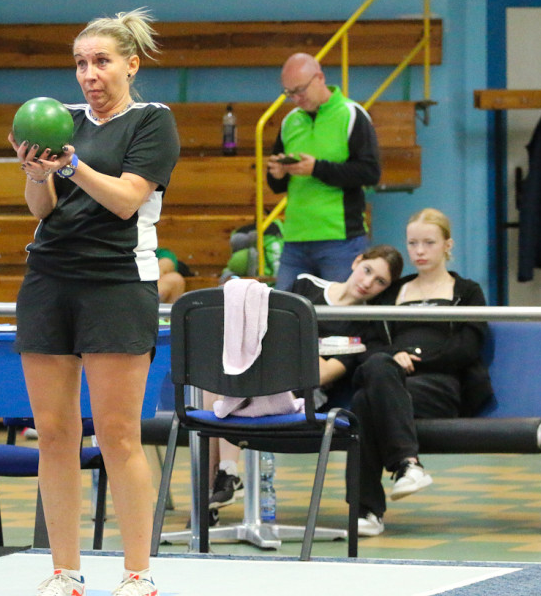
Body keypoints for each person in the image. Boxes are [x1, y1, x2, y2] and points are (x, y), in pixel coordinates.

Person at [8, 8, 180, 596]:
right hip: (49, 280)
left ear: (131, 64)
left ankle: (140, 580)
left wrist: (71, 164)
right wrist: (37, 174)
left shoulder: (152, 123)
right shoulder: (64, 124)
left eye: (102, 61)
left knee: (117, 434)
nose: (89, 74)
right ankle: (65, 575)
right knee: (53, 434)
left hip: (116, 283)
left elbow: (128, 200)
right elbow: (43, 210)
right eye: (80, 63)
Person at [205, 245, 403, 514]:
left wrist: (291, 350)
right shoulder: (306, 286)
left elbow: (319, 375)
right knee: (215, 386)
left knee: (228, 390)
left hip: (301, 397)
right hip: (262, 374)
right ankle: (221, 481)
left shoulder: (364, 324)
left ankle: (219, 485)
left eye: (380, 282)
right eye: (367, 270)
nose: (368, 283)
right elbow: (267, 334)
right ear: (357, 261)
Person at [350, 208, 492, 537]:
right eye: (413, 243)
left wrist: (412, 357)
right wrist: (392, 357)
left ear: (447, 245)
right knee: (370, 385)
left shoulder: (467, 292)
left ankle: (367, 509)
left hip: (440, 387)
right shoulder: (390, 292)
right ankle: (408, 465)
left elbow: (468, 348)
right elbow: (368, 345)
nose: (420, 251)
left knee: (364, 401)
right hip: (391, 381)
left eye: (429, 242)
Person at [265, 53, 381, 289]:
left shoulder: (351, 115)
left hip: (340, 238)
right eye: (289, 93)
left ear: (319, 78)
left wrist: (317, 168)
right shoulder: (289, 122)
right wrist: (277, 175)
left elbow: (370, 172)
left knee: (340, 317)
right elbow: (278, 184)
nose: (296, 98)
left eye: (300, 90)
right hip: (295, 237)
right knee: (284, 315)